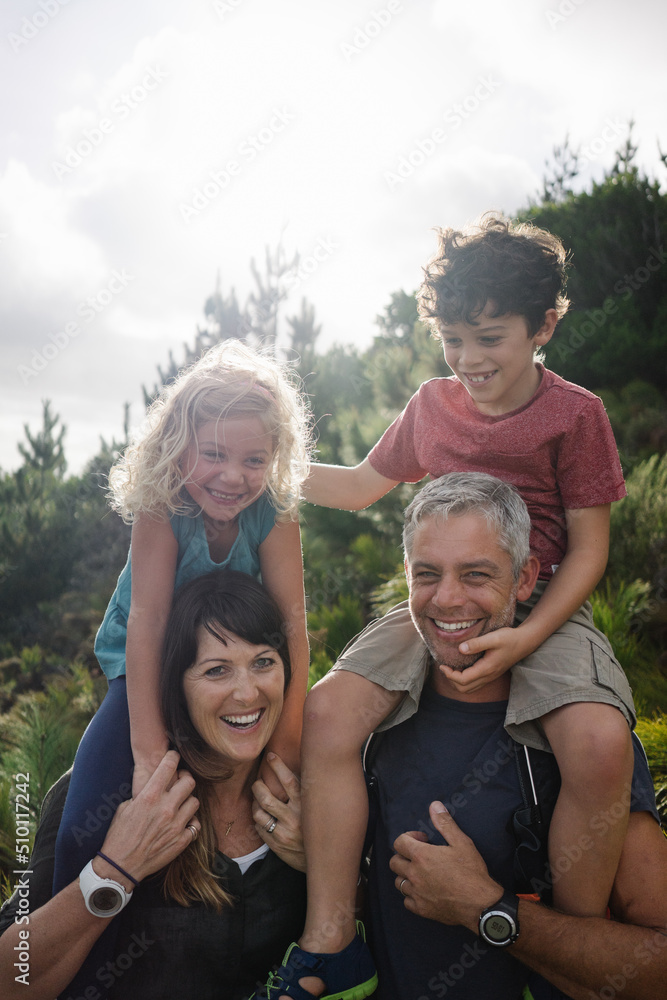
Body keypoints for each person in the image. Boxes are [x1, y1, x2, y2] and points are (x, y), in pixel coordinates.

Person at [268, 214, 634, 998]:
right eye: (453, 340)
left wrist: (529, 633)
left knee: (600, 744)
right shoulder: (432, 406)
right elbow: (363, 485)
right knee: (330, 714)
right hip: (436, 600)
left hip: (543, 606)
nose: (468, 361)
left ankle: (570, 944)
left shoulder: (575, 416)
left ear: (544, 325)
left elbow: (591, 549)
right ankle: (332, 941)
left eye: (488, 339)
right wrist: (259, 464)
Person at [51, 340, 311, 991]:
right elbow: (147, 624)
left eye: (253, 459)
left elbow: (294, 626)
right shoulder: (163, 505)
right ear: (179, 447)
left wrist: (283, 750)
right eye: (214, 455)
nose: (232, 476)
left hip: (219, 674)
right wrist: (146, 753)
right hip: (141, 667)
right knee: (93, 793)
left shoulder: (273, 512)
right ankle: (65, 930)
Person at [366, 473, 666, 1000]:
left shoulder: (582, 740)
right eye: (427, 574)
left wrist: (484, 908)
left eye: (477, 574)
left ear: (525, 579)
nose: (448, 598)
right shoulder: (365, 728)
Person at [0, 570, 308, 1000]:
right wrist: (114, 871)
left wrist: (323, 864)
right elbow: (10, 980)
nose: (246, 692)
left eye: (263, 662)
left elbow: (366, 945)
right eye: (217, 670)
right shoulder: (102, 796)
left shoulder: (309, 798)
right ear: (175, 686)